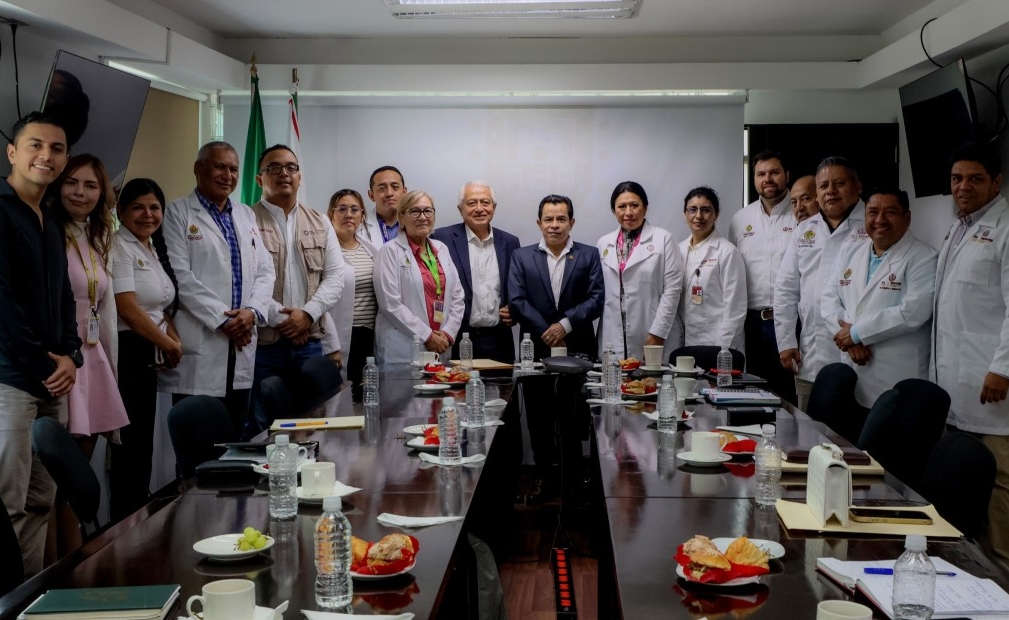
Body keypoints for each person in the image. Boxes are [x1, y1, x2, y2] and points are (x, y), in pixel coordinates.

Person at [0, 112, 79, 577]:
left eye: (56, 148)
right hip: (11, 379)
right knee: (7, 503)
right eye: (35, 145)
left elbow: (64, 295)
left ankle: (25, 596)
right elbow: (3, 305)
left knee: (41, 499)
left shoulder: (49, 217)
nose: (46, 155)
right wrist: (45, 364)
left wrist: (71, 355)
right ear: (12, 152)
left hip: (52, 380)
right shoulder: (2, 212)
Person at [160, 141, 275, 433]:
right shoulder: (177, 213)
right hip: (202, 343)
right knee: (197, 442)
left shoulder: (245, 214)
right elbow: (180, 277)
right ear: (198, 169)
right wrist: (225, 321)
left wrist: (252, 312)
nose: (228, 175)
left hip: (241, 345)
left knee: (235, 440)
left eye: (233, 169)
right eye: (219, 167)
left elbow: (265, 271)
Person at [932, 142, 1009, 567]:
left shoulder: (1005, 227)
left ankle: (1001, 573)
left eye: (975, 179)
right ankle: (972, 570)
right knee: (965, 485)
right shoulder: (958, 228)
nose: (964, 186)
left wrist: (1002, 368)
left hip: (993, 385)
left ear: (996, 182)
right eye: (957, 178)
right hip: (959, 381)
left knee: (999, 486)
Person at [248, 145, 345, 433]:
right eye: (274, 168)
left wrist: (307, 315)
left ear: (300, 177)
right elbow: (244, 283)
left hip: (310, 342)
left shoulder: (320, 221)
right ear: (259, 178)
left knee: (313, 426)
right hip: (264, 344)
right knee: (265, 428)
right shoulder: (245, 220)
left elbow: (335, 278)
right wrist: (286, 320)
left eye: (291, 167)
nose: (284, 173)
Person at [821, 188, 937, 409]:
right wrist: (848, 339)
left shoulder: (924, 257)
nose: (880, 220)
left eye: (890, 212)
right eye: (872, 212)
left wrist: (856, 334)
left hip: (896, 375)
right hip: (853, 367)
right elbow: (829, 298)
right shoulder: (851, 252)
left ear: (907, 217)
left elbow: (913, 311)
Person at [110, 178, 182, 520]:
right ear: (121, 211)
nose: (148, 214)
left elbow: (159, 305)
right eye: (138, 207)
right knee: (130, 448)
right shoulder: (119, 246)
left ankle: (139, 519)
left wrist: (172, 335)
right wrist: (167, 343)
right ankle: (124, 527)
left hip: (147, 352)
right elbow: (127, 307)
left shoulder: (150, 247)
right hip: (128, 352)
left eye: (154, 207)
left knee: (142, 445)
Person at [48, 154, 129, 456]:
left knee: (81, 462)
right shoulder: (47, 229)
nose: (80, 192)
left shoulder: (100, 235)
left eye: (90, 185)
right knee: (53, 461)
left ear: (101, 192)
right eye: (71, 183)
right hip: (59, 350)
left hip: (93, 348)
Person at [775, 156, 869, 411]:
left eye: (839, 184)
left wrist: (860, 333)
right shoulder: (804, 230)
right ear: (817, 193)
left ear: (857, 186)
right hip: (811, 350)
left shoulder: (872, 224)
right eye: (824, 186)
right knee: (810, 425)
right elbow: (785, 290)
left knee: (855, 424)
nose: (830, 191)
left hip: (861, 350)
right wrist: (786, 341)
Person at [728, 151, 797, 403]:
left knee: (789, 394)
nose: (767, 179)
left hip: (792, 321)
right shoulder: (740, 219)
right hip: (752, 323)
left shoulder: (801, 213)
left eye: (774, 172)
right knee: (755, 393)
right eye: (761, 174)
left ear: (786, 175)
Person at [431, 181, 521, 363]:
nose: (479, 209)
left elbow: (517, 287)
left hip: (500, 340)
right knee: (457, 383)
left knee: (503, 382)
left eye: (485, 202)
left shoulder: (510, 242)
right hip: (457, 338)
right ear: (460, 209)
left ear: (494, 207)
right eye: (472, 203)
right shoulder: (441, 239)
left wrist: (514, 311)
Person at [373, 190, 465, 365]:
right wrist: (427, 336)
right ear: (401, 217)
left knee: (440, 382)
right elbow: (390, 304)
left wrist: (448, 333)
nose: (423, 217)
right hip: (404, 347)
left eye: (428, 211)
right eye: (414, 211)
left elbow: (457, 297)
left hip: (441, 344)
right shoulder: (389, 251)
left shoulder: (441, 249)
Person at [509, 194, 604, 359]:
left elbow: (596, 299)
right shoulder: (521, 256)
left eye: (561, 219)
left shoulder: (590, 255)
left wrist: (564, 326)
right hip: (536, 345)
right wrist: (548, 332)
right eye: (548, 219)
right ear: (539, 223)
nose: (554, 225)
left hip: (579, 345)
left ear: (571, 223)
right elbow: (516, 300)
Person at [596, 181, 682, 362]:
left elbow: (673, 290)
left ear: (645, 208)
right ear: (614, 211)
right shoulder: (604, 243)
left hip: (651, 327)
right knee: (614, 376)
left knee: (651, 376)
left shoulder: (663, 239)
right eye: (622, 207)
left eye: (634, 205)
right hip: (614, 331)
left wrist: (658, 332)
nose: (628, 212)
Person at [677, 186, 747, 352]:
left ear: (716, 214)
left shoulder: (727, 252)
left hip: (717, 342)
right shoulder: (678, 250)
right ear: (685, 214)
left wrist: (724, 350)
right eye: (692, 209)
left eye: (706, 210)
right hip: (684, 343)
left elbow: (735, 309)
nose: (698, 216)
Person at [328, 189, 378, 402]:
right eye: (342, 209)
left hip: (370, 335)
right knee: (343, 399)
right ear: (331, 214)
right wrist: (330, 344)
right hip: (341, 335)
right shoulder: (325, 250)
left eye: (354, 209)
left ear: (362, 216)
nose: (348, 214)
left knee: (367, 397)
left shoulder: (370, 250)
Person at [360, 165, 407, 245]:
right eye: (382, 188)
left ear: (404, 192)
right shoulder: (359, 227)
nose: (389, 193)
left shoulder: (417, 223)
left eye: (395, 187)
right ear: (371, 195)